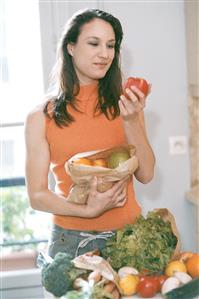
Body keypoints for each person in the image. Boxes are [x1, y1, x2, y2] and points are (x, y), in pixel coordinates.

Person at [25, 8, 155, 259]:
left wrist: (130, 121)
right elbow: (37, 196)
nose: (104, 54)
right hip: (71, 243)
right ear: (70, 47)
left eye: (111, 45)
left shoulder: (127, 104)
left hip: (129, 237)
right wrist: (87, 211)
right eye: (94, 43)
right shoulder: (40, 116)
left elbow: (146, 174)